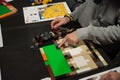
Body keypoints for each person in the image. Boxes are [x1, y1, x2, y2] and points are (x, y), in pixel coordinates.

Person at [51, 0, 120, 59]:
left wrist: (85, 33)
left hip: (103, 46)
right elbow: (87, 3)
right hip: (83, 33)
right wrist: (70, 17)